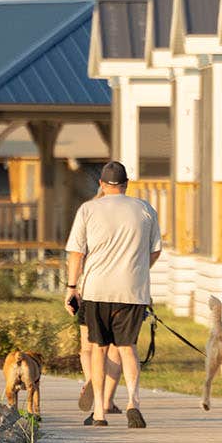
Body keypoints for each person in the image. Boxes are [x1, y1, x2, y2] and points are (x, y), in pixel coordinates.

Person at [64, 160, 162, 427]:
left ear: (101, 185)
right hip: (133, 290)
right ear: (126, 184)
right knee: (127, 347)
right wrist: (137, 270)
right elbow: (154, 251)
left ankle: (99, 413)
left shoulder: (89, 209)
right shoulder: (145, 209)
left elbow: (76, 253)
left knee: (98, 348)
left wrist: (72, 288)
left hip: (97, 289)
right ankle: (133, 401)